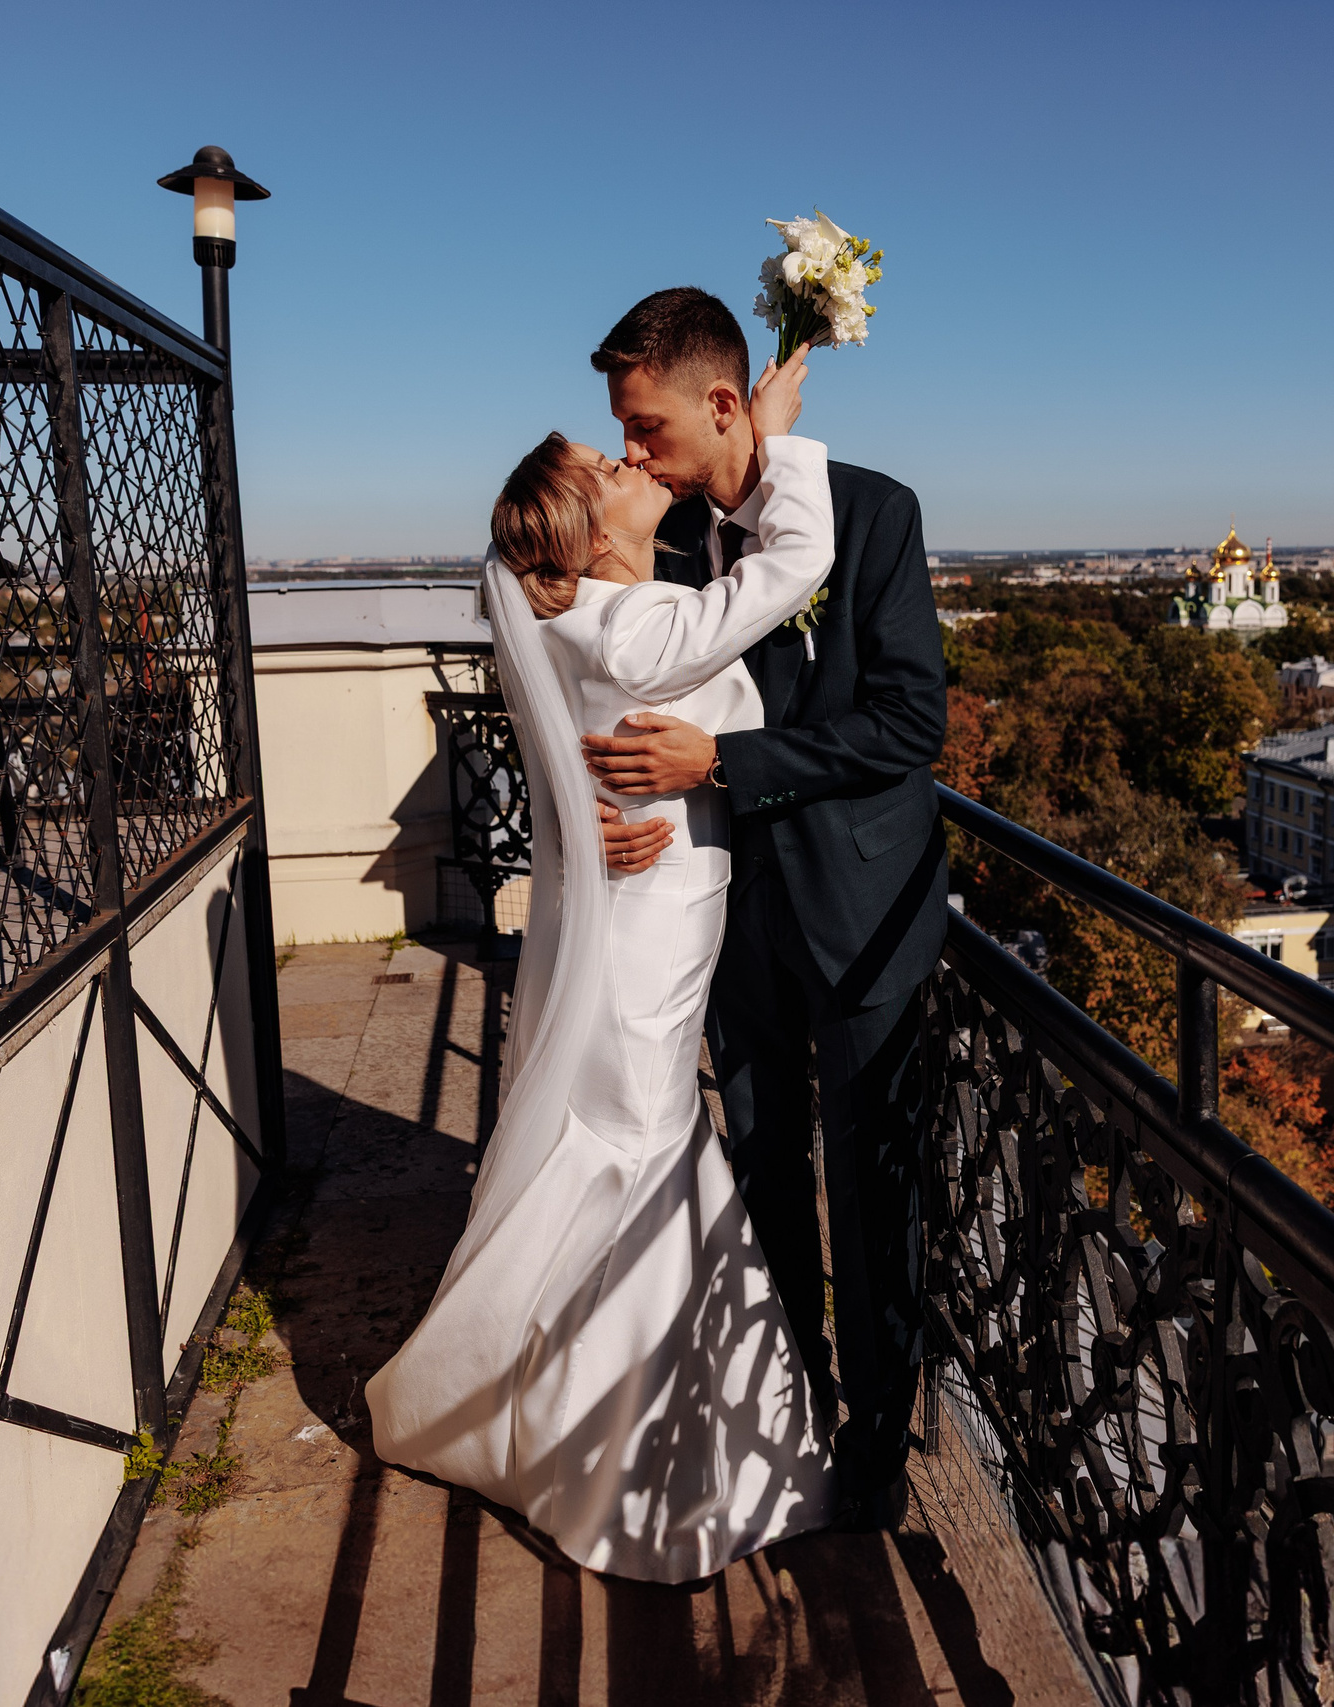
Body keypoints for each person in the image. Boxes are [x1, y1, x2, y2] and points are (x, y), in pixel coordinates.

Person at [363, 350, 841, 1582]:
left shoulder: (600, 613)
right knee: (640, 1151)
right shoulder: (629, 627)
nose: (629, 459)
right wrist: (779, 434)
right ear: (583, 532)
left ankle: (598, 1415)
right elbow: (795, 562)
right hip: (653, 928)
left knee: (635, 1146)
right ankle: (628, 1465)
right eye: (604, 465)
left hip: (646, 909)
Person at [582, 288, 949, 1532]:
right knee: (762, 1164)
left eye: (646, 426)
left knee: (874, 1191)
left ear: (724, 404)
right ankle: (790, 1406)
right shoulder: (667, 538)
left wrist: (724, 766)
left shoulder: (874, 513)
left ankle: (877, 1451)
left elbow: (907, 722)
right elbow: (616, 682)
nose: (632, 452)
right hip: (729, 912)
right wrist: (601, 805)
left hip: (863, 912)